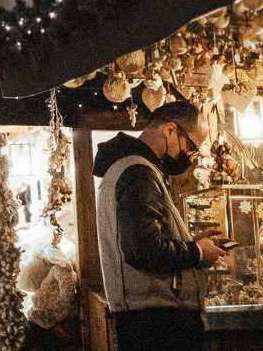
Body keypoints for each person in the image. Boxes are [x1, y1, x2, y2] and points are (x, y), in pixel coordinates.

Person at [92, 99, 223, 351]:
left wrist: (192, 244)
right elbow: (142, 249)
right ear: (170, 130)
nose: (190, 157)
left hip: (152, 321)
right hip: (157, 326)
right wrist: (197, 252)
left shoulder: (133, 169)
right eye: (191, 146)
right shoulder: (139, 173)